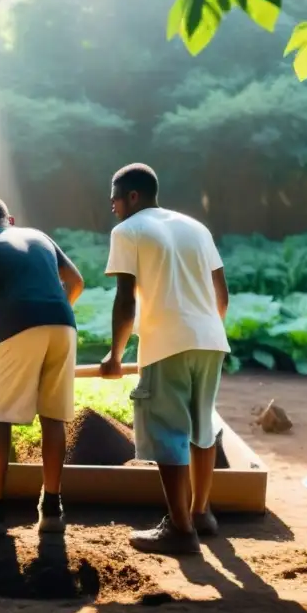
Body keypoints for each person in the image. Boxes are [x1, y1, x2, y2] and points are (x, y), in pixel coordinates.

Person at [99, 164, 230, 555]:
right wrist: (202, 331)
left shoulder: (128, 230)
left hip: (166, 343)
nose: (112, 207)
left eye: (115, 199)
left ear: (133, 197)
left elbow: (125, 300)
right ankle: (201, 513)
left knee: (170, 433)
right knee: (201, 429)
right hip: (210, 339)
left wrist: (116, 355)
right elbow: (221, 294)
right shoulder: (196, 228)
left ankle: (180, 528)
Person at [0, 197, 84, 533]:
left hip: (17, 325)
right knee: (53, 416)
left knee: (0, 419)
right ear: (10, 220)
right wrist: (51, 310)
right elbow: (76, 282)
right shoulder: (41, 237)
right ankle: (52, 508)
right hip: (63, 325)